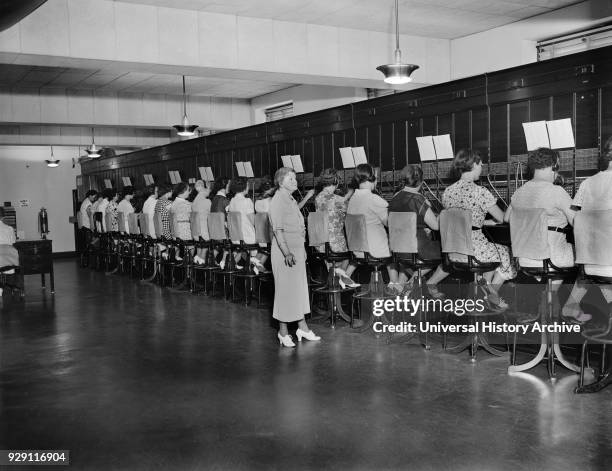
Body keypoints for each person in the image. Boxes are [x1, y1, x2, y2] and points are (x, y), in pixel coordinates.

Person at [442, 149, 516, 310]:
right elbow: (502, 218)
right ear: (473, 164)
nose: (482, 168)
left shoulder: (447, 192)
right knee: (508, 254)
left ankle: (484, 290)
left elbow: (462, 218)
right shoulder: (480, 192)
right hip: (474, 251)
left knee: (491, 252)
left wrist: (484, 222)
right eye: (480, 165)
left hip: (454, 252)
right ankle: (490, 295)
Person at [562, 136, 612, 322]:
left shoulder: (587, 183)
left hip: (589, 266)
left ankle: (570, 305)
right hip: (606, 263)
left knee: (599, 269)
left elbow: (576, 217)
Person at [269, 167, 320, 347]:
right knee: (285, 292)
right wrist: (287, 252)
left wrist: (300, 249)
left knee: (297, 290)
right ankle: (282, 332)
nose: (295, 182)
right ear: (280, 182)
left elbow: (296, 222)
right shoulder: (277, 200)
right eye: (290, 179)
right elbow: (278, 229)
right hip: (285, 252)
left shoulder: (289, 199)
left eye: (295, 179)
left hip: (296, 250)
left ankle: (302, 328)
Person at [388, 165, 448, 298]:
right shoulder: (418, 199)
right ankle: (410, 285)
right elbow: (436, 226)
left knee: (408, 259)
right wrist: (442, 214)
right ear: (421, 181)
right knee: (450, 252)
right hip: (418, 250)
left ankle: (401, 286)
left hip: (397, 250)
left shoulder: (394, 197)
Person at [346, 164, 396, 288]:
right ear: (372, 179)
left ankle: (346, 275)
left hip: (357, 250)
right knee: (396, 249)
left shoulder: (352, 199)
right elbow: (390, 224)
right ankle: (395, 284)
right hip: (375, 251)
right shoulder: (374, 199)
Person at [314, 168, 358, 288]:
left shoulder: (318, 198)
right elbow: (351, 213)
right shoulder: (338, 199)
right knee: (356, 253)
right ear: (336, 181)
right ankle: (341, 278)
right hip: (335, 245)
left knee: (334, 265)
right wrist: (350, 193)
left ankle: (336, 278)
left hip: (321, 244)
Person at [227, 177, 266, 272]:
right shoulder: (246, 201)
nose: (248, 187)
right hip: (248, 237)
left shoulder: (232, 201)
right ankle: (255, 265)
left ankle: (254, 263)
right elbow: (254, 221)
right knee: (268, 243)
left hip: (236, 238)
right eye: (248, 185)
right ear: (244, 187)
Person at [191, 180, 211, 265]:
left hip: (196, 232)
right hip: (204, 232)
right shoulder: (207, 201)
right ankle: (202, 259)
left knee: (200, 243)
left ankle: (198, 257)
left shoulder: (194, 202)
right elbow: (211, 216)